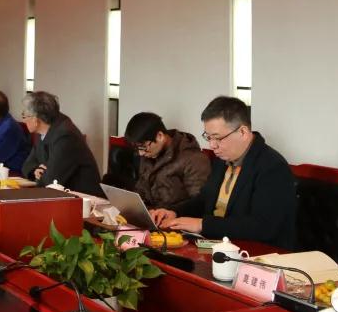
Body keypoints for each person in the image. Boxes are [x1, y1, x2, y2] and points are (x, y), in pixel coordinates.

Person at [150, 96, 296, 246]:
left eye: (218, 138)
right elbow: (204, 200)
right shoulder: (224, 158)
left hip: (253, 251)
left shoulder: (272, 167)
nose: (212, 145)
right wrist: (174, 212)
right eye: (208, 137)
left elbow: (263, 227)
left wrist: (203, 224)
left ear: (243, 132)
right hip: (215, 243)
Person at [124, 112, 211, 212]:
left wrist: (169, 213)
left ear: (160, 136)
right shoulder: (150, 153)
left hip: (174, 218)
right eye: (137, 149)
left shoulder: (194, 159)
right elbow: (141, 189)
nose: (141, 153)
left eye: (143, 147)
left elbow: (198, 204)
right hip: (150, 215)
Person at [21, 91, 103, 196]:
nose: (23, 120)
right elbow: (27, 165)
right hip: (62, 195)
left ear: (36, 120)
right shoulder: (43, 130)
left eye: (24, 116)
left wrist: (42, 175)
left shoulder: (65, 135)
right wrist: (35, 171)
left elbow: (52, 180)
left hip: (84, 198)